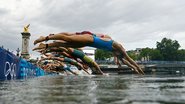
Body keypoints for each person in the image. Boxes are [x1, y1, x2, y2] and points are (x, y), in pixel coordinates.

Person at [33, 32, 144, 75]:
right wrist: (138, 68)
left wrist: (134, 69)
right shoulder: (118, 46)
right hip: (91, 39)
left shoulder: (115, 52)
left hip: (90, 43)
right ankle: (45, 38)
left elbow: (127, 62)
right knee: (67, 39)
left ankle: (46, 46)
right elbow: (129, 59)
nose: (120, 59)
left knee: (66, 45)